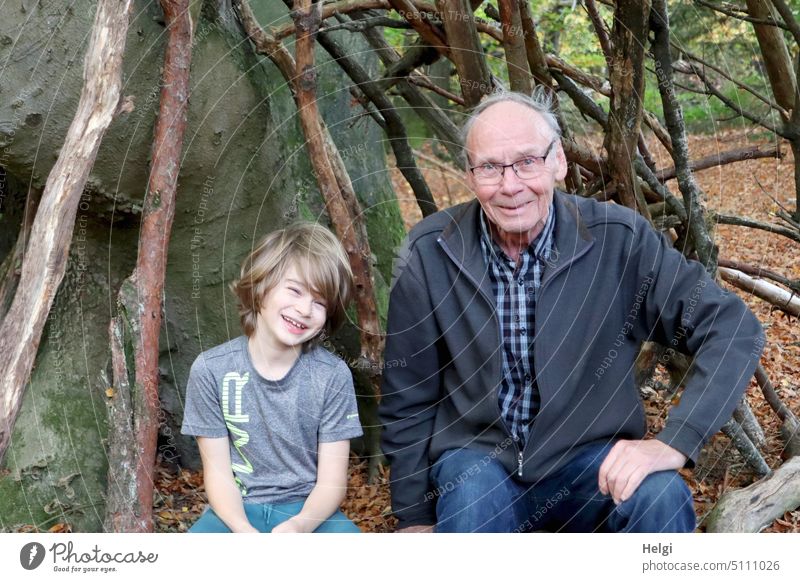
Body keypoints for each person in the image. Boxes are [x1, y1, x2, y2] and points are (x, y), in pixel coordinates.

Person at [380, 90, 764, 533]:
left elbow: (733, 328)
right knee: (471, 495)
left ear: (558, 161)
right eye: (489, 167)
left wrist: (676, 440)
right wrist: (413, 517)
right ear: (470, 176)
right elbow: (408, 395)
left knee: (660, 496)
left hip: (588, 461)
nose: (510, 186)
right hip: (477, 463)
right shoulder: (431, 252)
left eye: (527, 161)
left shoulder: (619, 240)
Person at [182, 222, 363, 533]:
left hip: (308, 511)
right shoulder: (211, 369)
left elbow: (332, 482)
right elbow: (219, 475)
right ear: (261, 285)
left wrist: (298, 528)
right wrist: (243, 530)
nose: (305, 309)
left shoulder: (332, 375)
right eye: (294, 289)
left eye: (320, 303)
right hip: (235, 510)